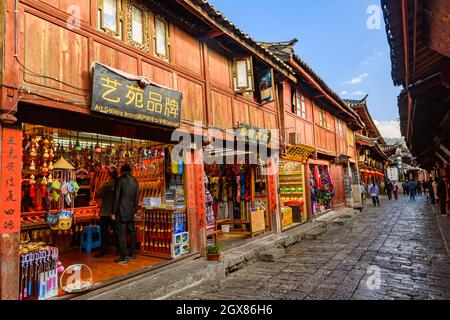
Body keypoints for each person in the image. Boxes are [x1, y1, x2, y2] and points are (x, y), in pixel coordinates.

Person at [113, 164, 140, 264]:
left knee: (121, 233)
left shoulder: (120, 180)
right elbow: (137, 197)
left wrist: (113, 211)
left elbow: (116, 197)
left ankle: (124, 256)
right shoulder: (135, 181)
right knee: (132, 232)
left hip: (121, 210)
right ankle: (132, 253)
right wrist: (135, 209)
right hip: (131, 210)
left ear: (122, 171)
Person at [95, 170, 118, 258]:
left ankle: (103, 251)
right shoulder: (119, 185)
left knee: (104, 233)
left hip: (105, 212)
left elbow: (98, 195)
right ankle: (119, 250)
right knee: (117, 232)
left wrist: (100, 186)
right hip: (116, 212)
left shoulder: (106, 185)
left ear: (110, 176)